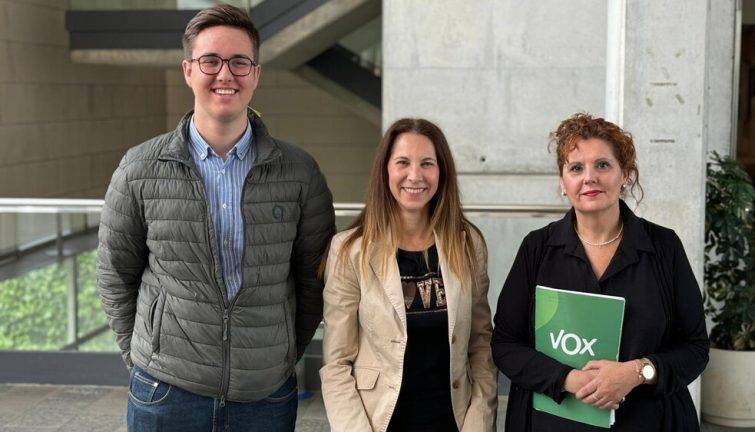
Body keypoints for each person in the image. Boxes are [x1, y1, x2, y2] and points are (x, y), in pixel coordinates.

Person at [97, 5, 335, 431]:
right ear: (188, 70)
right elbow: (115, 272)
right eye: (211, 60)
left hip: (264, 396)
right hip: (166, 391)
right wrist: (141, 355)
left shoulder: (299, 172)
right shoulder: (139, 168)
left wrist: (279, 354)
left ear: (256, 74)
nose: (225, 74)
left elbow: (313, 278)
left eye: (239, 62)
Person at [491, 113, 709, 431]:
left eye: (603, 165)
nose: (589, 177)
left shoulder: (664, 247)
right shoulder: (536, 248)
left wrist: (638, 372)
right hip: (552, 420)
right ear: (563, 183)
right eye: (576, 168)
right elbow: (506, 344)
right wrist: (569, 379)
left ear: (626, 175)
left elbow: (695, 348)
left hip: (648, 421)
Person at [320, 118, 497, 432]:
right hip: (379, 422)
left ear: (441, 172)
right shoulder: (349, 251)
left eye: (427, 163)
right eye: (403, 162)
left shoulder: (468, 244)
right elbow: (337, 363)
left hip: (453, 420)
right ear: (385, 169)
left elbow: (481, 346)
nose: (415, 175)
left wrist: (478, 422)